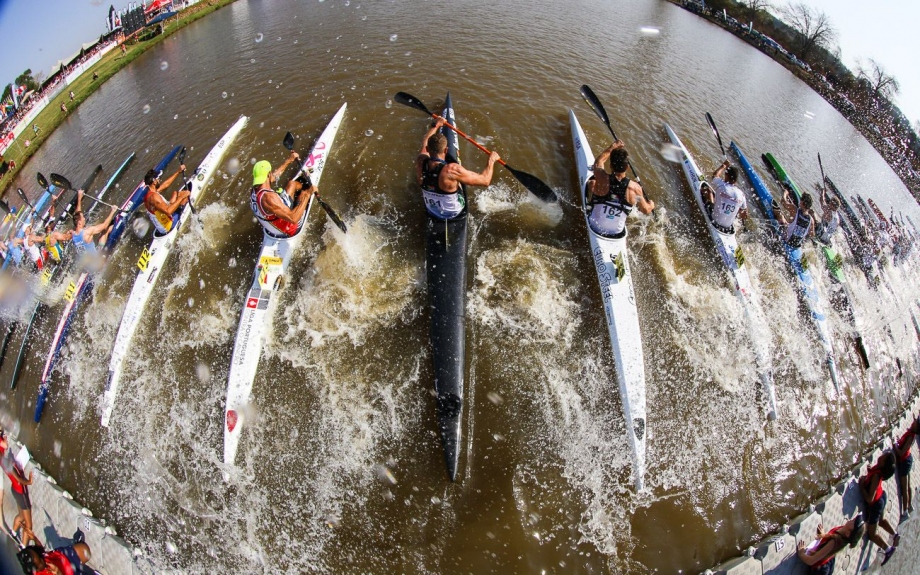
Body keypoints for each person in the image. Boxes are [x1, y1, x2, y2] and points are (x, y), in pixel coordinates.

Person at [416, 117, 499, 219]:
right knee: (457, 176)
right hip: (453, 213)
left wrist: (436, 125)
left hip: (432, 211)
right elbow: (485, 181)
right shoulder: (452, 169)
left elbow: (425, 142)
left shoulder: (421, 160)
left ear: (428, 149)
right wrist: (492, 161)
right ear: (446, 150)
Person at [585, 140, 654, 237]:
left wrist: (612, 147)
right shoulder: (635, 189)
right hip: (616, 232)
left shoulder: (602, 177)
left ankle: (589, 204)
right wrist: (651, 204)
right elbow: (646, 210)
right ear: (627, 167)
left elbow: (598, 162)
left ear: (610, 166)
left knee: (592, 183)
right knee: (634, 200)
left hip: (595, 226)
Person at [249, 151, 315, 238]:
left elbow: (274, 176)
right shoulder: (269, 198)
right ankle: (305, 188)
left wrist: (289, 160)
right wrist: (308, 193)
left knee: (292, 184)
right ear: (268, 174)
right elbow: (293, 219)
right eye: (271, 173)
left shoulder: (255, 190)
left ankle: (303, 182)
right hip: (290, 229)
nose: (272, 175)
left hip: (273, 227)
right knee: (302, 194)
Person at [44, 190, 118, 262]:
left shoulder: (72, 234)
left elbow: (77, 215)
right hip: (97, 263)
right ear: (79, 223)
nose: (84, 218)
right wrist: (113, 211)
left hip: (87, 265)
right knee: (106, 230)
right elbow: (104, 225)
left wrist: (79, 197)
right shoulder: (87, 231)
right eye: (83, 218)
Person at [859, 451, 900, 565]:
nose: (881, 455)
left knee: (872, 534)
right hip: (882, 496)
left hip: (876, 504)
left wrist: (862, 486)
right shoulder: (878, 470)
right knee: (881, 521)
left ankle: (888, 549)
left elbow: (869, 499)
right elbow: (873, 478)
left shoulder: (877, 476)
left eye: (883, 457)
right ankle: (895, 535)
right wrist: (869, 471)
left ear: (883, 463)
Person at [796, 514, 865, 574]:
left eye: (853, 521)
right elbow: (832, 534)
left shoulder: (833, 542)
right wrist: (824, 535)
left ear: (848, 533)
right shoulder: (843, 529)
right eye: (854, 519)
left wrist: (801, 553)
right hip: (829, 560)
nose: (852, 519)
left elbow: (811, 561)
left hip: (820, 570)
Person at [0, 432, 36, 548]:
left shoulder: (3, 458)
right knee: (29, 524)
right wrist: (29, 482)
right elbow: (19, 479)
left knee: (21, 515)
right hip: (21, 492)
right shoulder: (5, 461)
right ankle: (23, 546)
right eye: (3, 439)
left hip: (15, 490)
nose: (6, 439)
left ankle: (14, 532)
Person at [702, 160, 747, 233]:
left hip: (715, 221)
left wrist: (724, 166)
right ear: (735, 179)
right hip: (727, 227)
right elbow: (745, 214)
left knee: (708, 190)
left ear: (726, 175)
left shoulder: (721, 185)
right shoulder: (741, 194)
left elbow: (715, 175)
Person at [142, 163, 188, 234]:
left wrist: (178, 172)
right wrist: (181, 197)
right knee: (186, 197)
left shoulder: (149, 194)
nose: (160, 180)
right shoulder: (154, 197)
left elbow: (166, 184)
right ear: (154, 182)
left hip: (162, 225)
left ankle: (180, 204)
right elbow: (168, 211)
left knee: (175, 193)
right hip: (168, 226)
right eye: (158, 179)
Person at [893, 415, 919, 521]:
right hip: (908, 459)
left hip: (905, 462)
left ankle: (905, 511)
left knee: (904, 487)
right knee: (908, 485)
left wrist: (894, 445)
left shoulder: (911, 437)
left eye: (915, 422)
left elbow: (900, 453)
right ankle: (909, 506)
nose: (913, 422)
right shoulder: (911, 435)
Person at [16, 539, 92, 575]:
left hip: (62, 556)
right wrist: (58, 573)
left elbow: (41, 550)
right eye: (39, 560)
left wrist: (34, 538)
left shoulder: (39, 557)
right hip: (68, 573)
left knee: (85, 551)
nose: (43, 560)